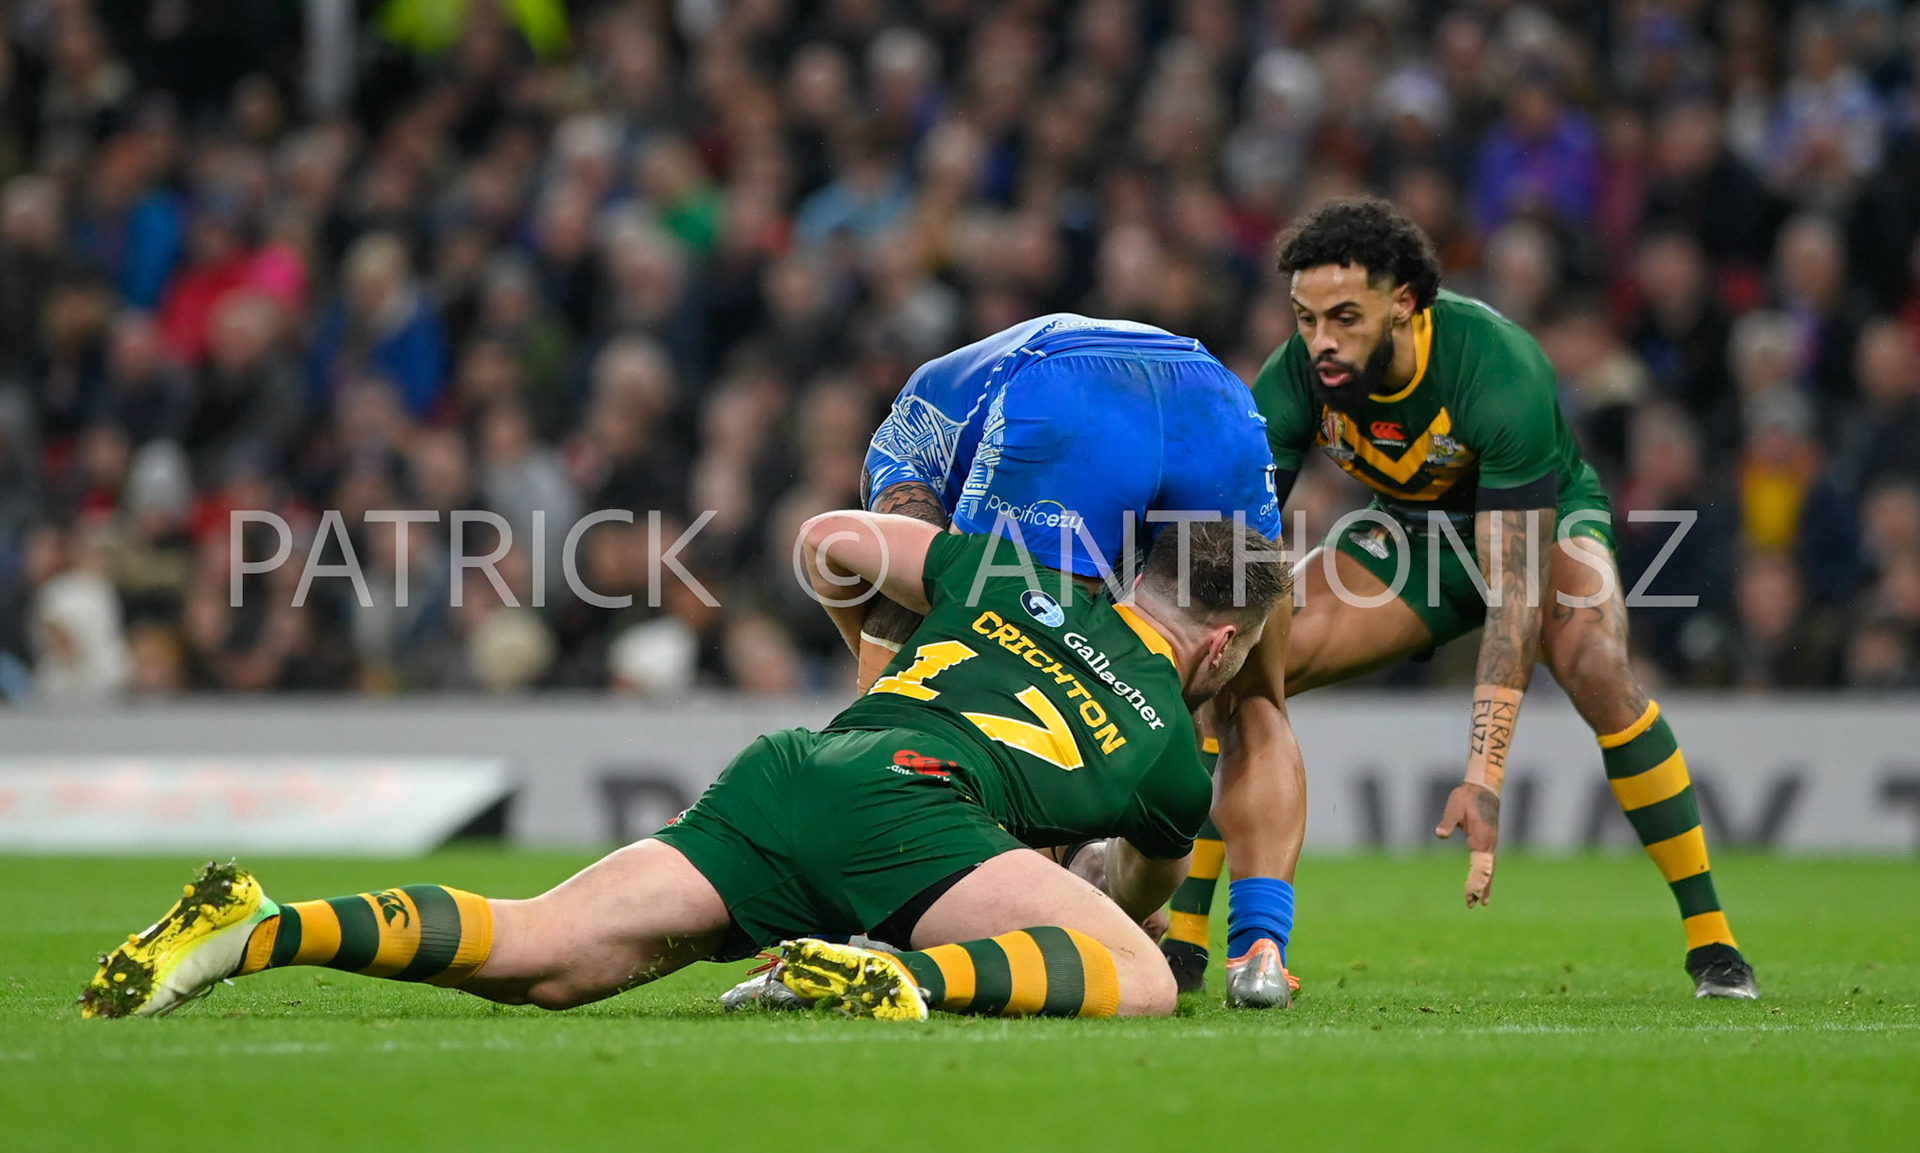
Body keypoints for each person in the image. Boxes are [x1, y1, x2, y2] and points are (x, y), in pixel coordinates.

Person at [80, 513, 1288, 1022]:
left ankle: (262, 925)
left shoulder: (1012, 577)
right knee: (1138, 982)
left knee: (545, 952)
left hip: (800, 765)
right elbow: (1118, 915)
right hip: (917, 810)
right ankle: (888, 981)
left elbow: (832, 541)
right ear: (1220, 642)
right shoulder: (1173, 754)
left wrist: (871, 656)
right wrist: (1086, 876)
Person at [1245, 196, 1756, 998]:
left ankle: (1712, 941)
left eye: (1345, 317)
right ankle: (1192, 944)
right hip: (1413, 532)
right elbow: (1236, 556)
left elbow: (1513, 594)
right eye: (1306, 319)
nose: (1322, 342)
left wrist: (1482, 773)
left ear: (1405, 301)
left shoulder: (1497, 366)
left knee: (1594, 664)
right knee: (1253, 659)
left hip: (1542, 521)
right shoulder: (1292, 381)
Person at [855, 313, 1303, 1005]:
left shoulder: (901, 453)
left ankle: (1035, 916)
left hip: (1069, 396)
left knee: (993, 659)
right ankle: (1260, 950)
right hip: (1217, 400)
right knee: (1253, 698)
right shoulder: (948, 402)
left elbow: (919, 626)